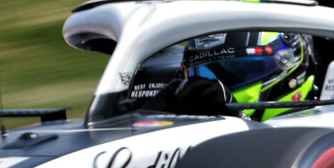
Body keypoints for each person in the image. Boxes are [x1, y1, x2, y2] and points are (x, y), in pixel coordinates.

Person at [131, 30, 320, 119]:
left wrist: (237, 117)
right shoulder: (189, 95)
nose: (216, 83)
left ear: (286, 61)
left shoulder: (325, 124)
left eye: (239, 70)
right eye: (207, 70)